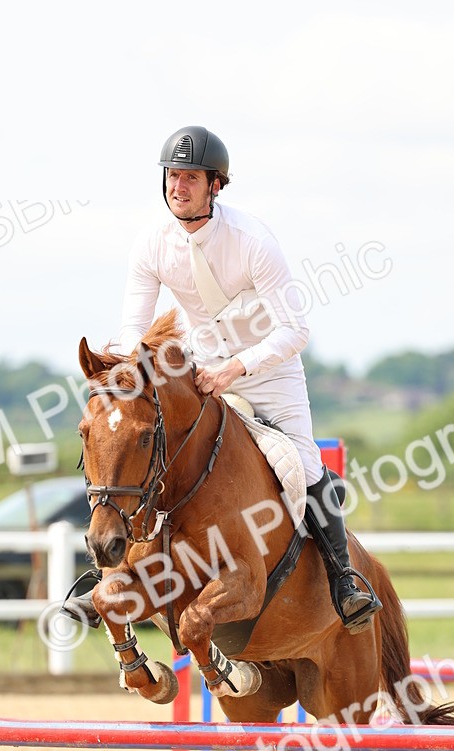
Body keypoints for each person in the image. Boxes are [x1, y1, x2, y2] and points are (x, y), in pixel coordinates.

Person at [69, 125, 381, 633]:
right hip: (195, 364)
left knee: (302, 461)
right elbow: (135, 325)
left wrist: (235, 369)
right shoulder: (152, 243)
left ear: (216, 185)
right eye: (173, 176)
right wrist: (130, 374)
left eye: (191, 177)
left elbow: (295, 329)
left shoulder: (252, 240)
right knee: (141, 440)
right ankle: (108, 574)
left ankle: (344, 580)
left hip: (267, 369)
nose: (179, 186)